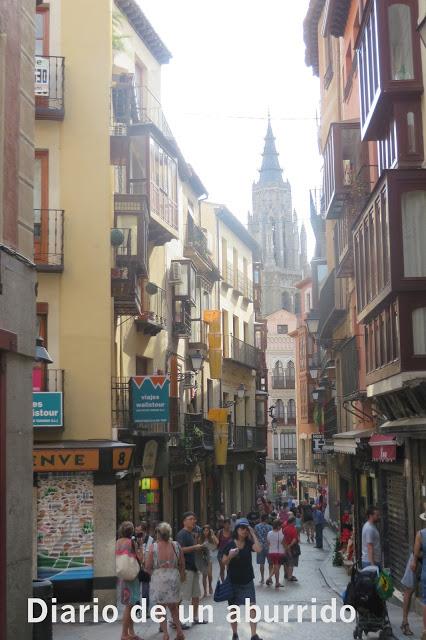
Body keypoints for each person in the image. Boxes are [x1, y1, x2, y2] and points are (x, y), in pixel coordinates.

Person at [222, 518, 263, 640]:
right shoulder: (229, 544)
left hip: (247, 581)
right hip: (233, 582)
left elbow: (258, 549)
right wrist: (230, 556)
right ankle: (235, 633)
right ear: (237, 530)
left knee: (252, 607)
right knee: (234, 610)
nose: (244, 531)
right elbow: (224, 562)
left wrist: (253, 532)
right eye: (242, 528)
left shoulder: (249, 543)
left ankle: (254, 634)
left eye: (246, 528)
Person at [145, 522, 185, 640]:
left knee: (160, 607)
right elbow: (182, 563)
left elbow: (147, 566)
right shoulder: (176, 545)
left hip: (159, 578)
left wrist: (154, 574)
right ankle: (179, 632)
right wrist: (180, 575)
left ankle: (166, 634)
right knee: (173, 607)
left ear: (158, 534)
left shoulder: (154, 547)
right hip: (174, 577)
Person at [176, 511, 207, 626]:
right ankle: (175, 620)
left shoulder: (191, 534)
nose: (194, 521)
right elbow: (179, 550)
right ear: (184, 521)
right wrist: (195, 547)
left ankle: (195, 617)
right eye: (191, 519)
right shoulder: (182, 534)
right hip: (186, 569)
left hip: (194, 568)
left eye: (194, 519)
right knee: (181, 596)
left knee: (196, 595)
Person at [116, 521, 144, 640]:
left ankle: (131, 632)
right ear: (131, 531)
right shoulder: (131, 542)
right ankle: (124, 634)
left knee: (130, 605)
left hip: (123, 577)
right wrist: (141, 546)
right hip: (132, 577)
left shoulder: (118, 542)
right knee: (130, 605)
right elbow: (140, 559)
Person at [410, 511, 426, 640]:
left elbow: (415, 555)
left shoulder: (420, 534)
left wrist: (415, 562)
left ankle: (425, 631)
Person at [135, 522, 154, 613]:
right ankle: (137, 608)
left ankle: (145, 609)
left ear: (145, 531)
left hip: (146, 568)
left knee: (145, 590)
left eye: (140, 531)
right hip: (135, 568)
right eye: (136, 531)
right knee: (135, 589)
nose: (138, 533)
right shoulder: (133, 540)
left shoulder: (151, 540)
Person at [199, 524, 218, 596]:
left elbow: (217, 543)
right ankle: (205, 591)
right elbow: (197, 547)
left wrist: (213, 534)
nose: (206, 532)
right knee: (204, 575)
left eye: (207, 531)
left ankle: (210, 586)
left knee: (209, 574)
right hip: (203, 558)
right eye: (204, 530)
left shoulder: (211, 538)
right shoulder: (200, 538)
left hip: (210, 558)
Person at [266, 519, 285, 588]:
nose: (281, 527)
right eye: (280, 525)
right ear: (277, 526)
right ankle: (276, 582)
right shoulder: (281, 533)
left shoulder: (269, 533)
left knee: (276, 567)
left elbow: (268, 543)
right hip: (279, 552)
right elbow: (283, 543)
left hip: (271, 552)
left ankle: (271, 579)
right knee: (277, 568)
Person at [255, 514, 272, 584]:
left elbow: (255, 535)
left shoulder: (257, 527)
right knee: (270, 563)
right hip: (268, 547)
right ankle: (270, 578)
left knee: (261, 563)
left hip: (260, 546)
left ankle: (262, 578)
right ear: (266, 519)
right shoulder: (270, 527)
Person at [283, 514, 299, 582]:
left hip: (285, 547)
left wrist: (286, 547)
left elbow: (283, 539)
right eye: (294, 521)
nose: (295, 523)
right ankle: (290, 576)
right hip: (292, 548)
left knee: (286, 562)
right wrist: (289, 546)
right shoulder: (293, 529)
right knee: (291, 563)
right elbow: (294, 539)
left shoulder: (284, 529)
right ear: (292, 522)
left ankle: (286, 574)